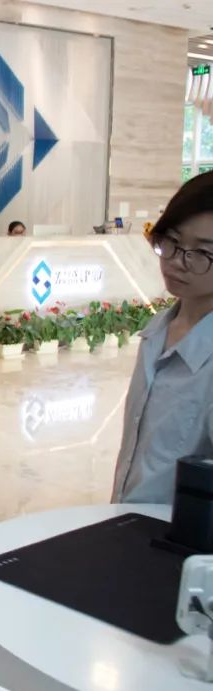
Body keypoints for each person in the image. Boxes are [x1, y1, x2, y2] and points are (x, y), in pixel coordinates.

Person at [113, 171, 213, 504]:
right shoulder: (157, 330)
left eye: (202, 252)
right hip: (125, 523)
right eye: (172, 241)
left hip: (181, 535)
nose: (177, 262)